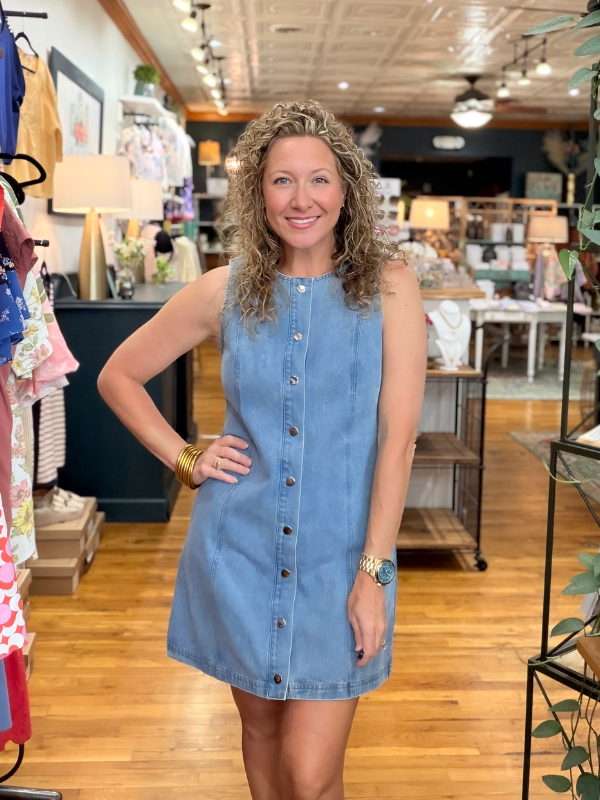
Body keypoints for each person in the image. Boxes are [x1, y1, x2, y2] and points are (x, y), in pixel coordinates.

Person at [98, 100, 427, 800]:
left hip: (343, 561)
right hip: (239, 550)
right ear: (258, 193)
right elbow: (117, 375)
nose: (301, 198)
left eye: (319, 180)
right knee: (262, 736)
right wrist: (185, 456)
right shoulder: (225, 290)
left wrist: (375, 575)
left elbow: (398, 442)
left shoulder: (391, 288)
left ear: (347, 190)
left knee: (310, 774)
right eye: (281, 181)